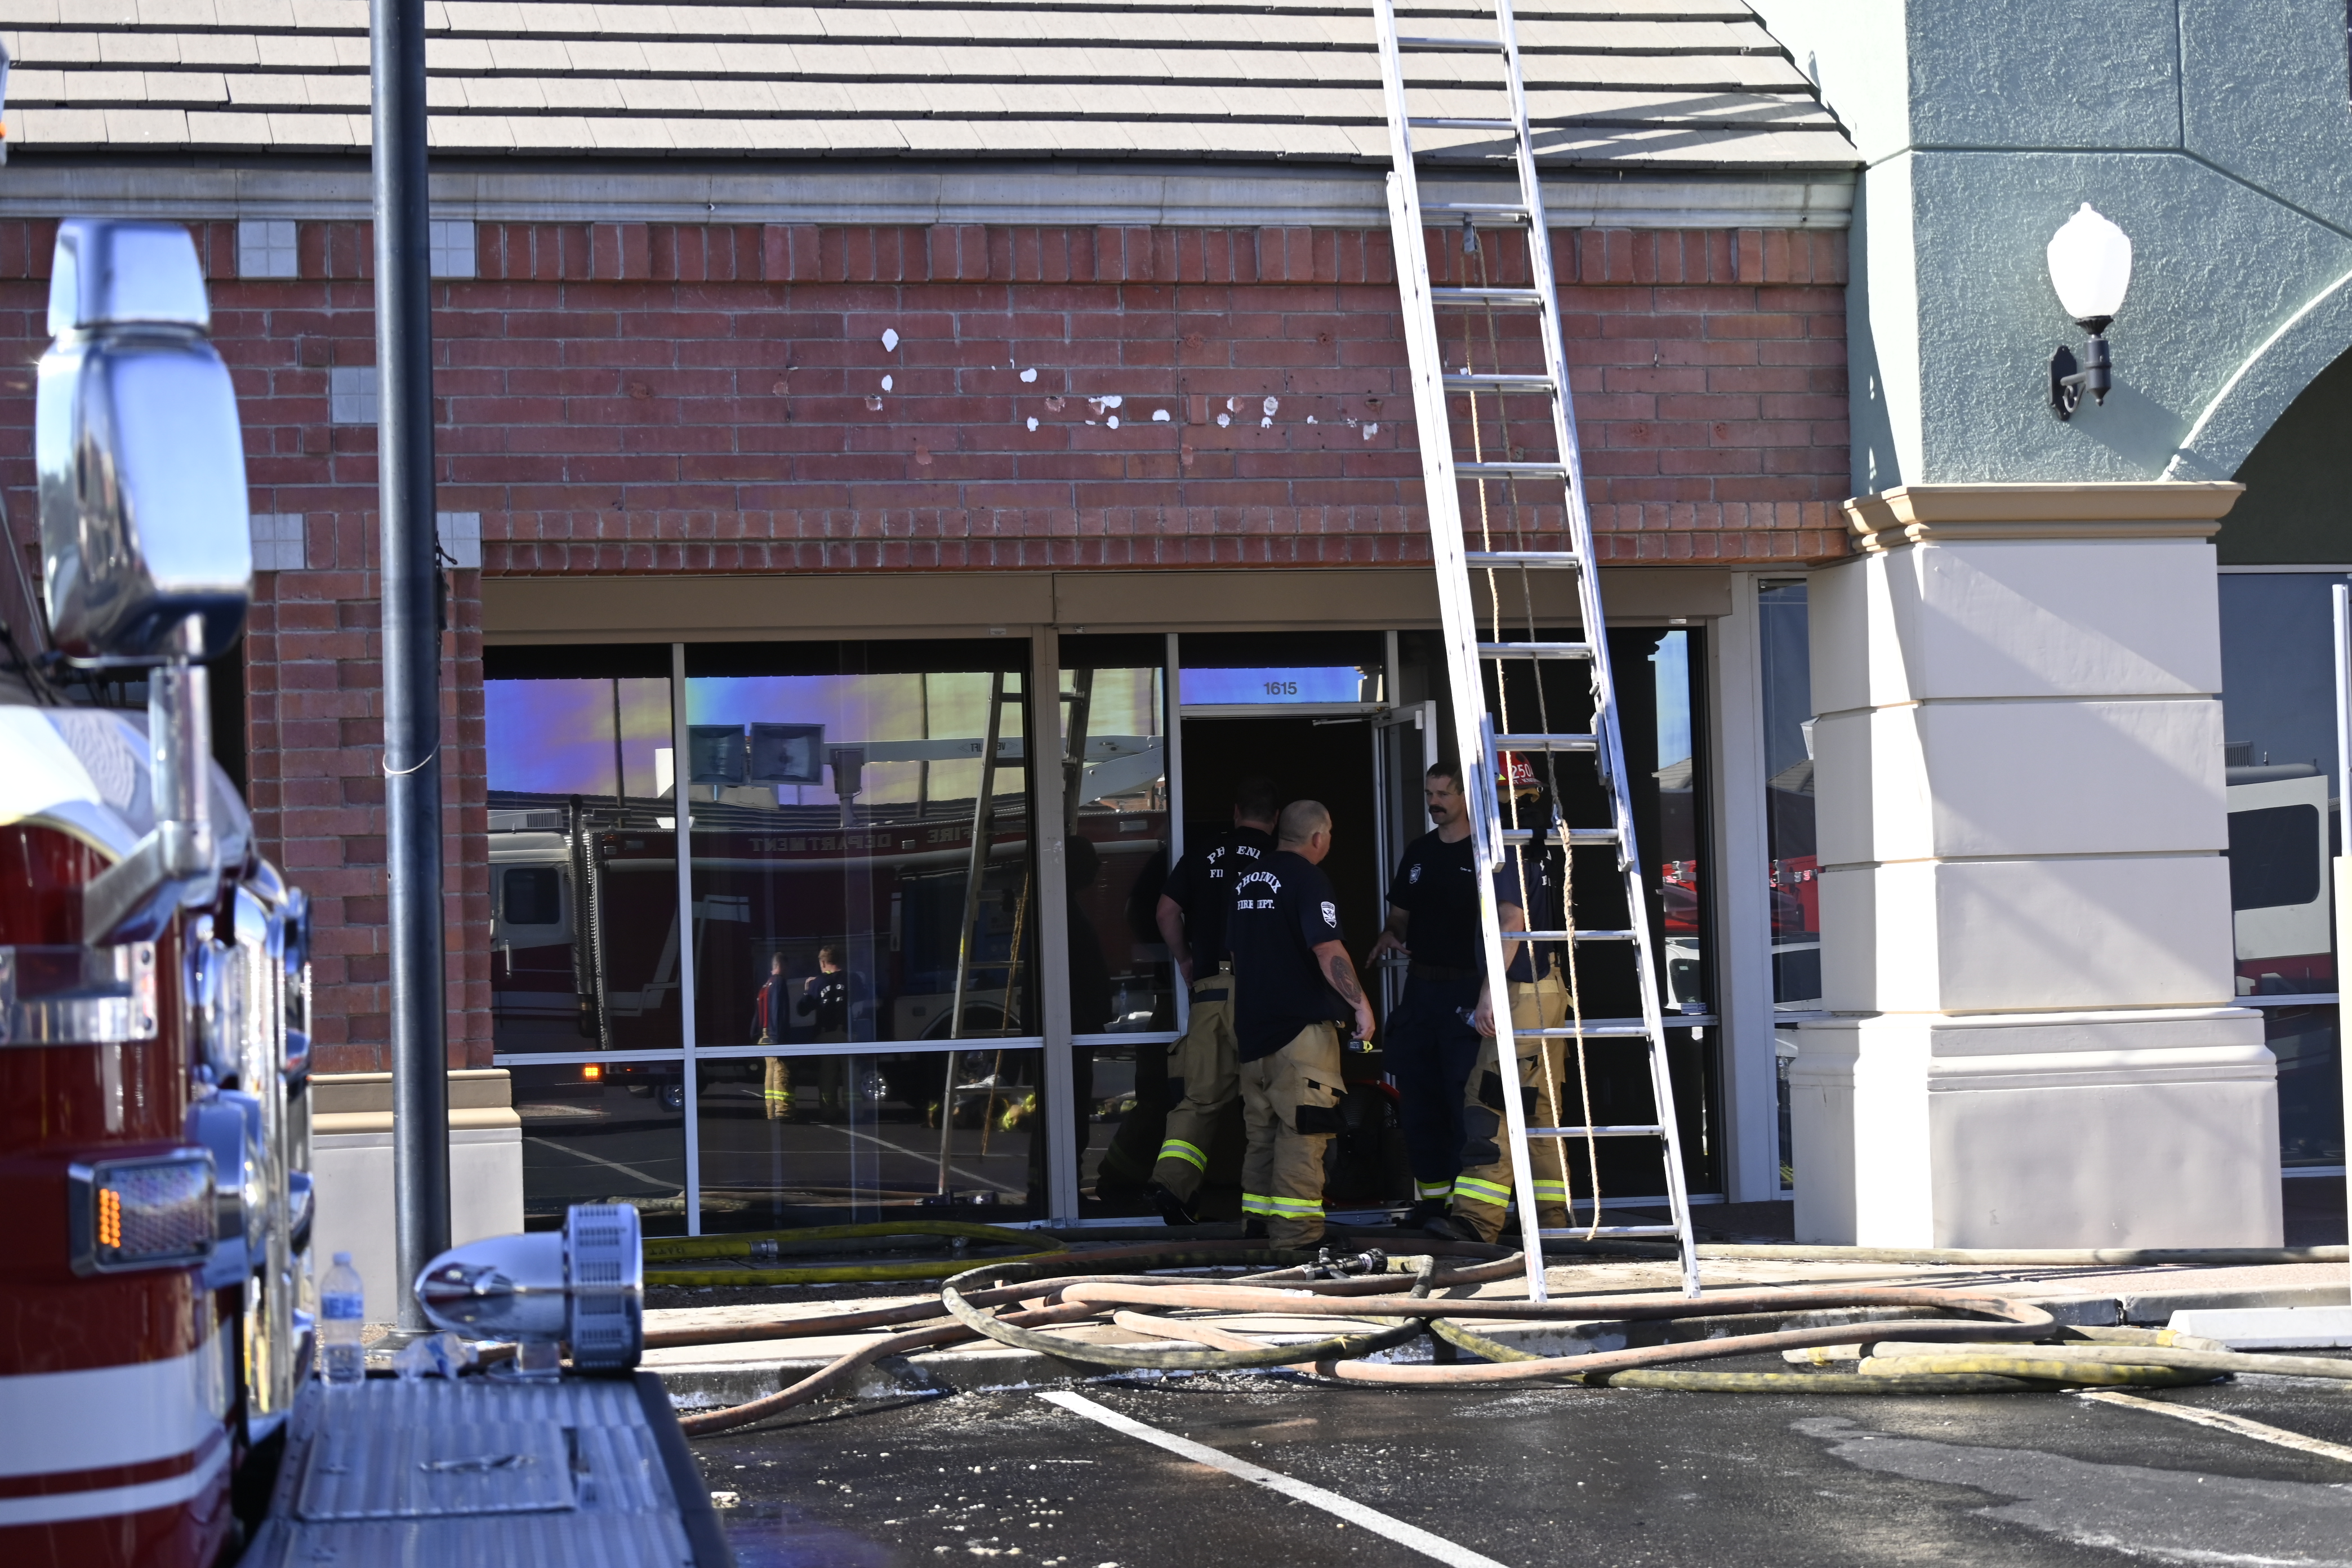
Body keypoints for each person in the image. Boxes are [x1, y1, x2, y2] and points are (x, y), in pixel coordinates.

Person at [1225, 799, 1376, 1246]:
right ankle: (1298, 1236)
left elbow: (1235, 952)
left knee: (1262, 1134)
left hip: (1253, 1032)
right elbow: (1327, 949)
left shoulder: (1245, 880)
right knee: (1303, 1133)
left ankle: (1257, 1226)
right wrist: (1360, 1005)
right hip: (1300, 1035)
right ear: (1318, 837)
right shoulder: (1309, 879)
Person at [1436, 775, 1576, 1244]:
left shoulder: (1507, 845)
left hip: (1520, 991)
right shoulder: (1539, 842)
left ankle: (1477, 1222)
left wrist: (1489, 992)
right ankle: (1550, 1218)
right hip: (1548, 988)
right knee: (1540, 1111)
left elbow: (1511, 920)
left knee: (1489, 1103)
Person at [1144, 774, 1280, 1224]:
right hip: (1261, 995)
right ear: (1276, 818)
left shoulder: (1203, 853)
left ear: (1236, 813)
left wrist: (1186, 959)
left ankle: (1172, 1187)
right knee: (1265, 1101)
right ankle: (1266, 1207)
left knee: (1200, 1098)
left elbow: (1166, 911)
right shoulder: (1281, 858)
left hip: (1210, 991)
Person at [1366, 761, 1484, 1227]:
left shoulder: (1486, 853)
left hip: (1467, 989)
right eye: (1430, 794)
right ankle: (1432, 1204)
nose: (1434, 803)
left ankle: (1467, 1211)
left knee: (1463, 1099)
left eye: (1444, 795)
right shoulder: (1419, 851)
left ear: (1466, 797)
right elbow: (1400, 916)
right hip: (1421, 991)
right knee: (1418, 1100)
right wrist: (1388, 934)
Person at [796, 943, 867, 1120]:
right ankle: (855, 1113)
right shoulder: (852, 978)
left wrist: (807, 991)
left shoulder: (818, 983)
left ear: (823, 963)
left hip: (826, 1036)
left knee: (827, 1077)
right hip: (848, 1035)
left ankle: (829, 1113)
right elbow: (864, 997)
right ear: (839, 960)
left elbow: (803, 1010)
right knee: (851, 1076)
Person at [754, 951, 791, 1120]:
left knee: (770, 1072)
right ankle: (783, 1111)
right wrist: (779, 1039)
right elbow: (778, 1011)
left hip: (764, 1036)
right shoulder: (779, 982)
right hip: (774, 1036)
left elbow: (758, 1014)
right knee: (780, 1072)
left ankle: (770, 1111)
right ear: (783, 965)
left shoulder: (766, 985)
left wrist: (755, 1034)